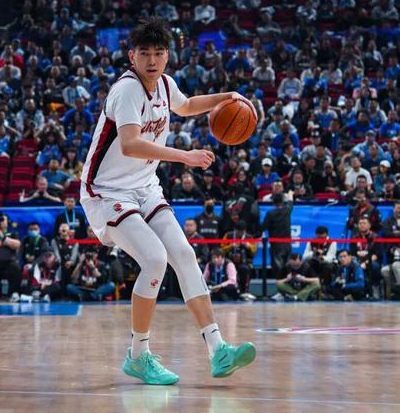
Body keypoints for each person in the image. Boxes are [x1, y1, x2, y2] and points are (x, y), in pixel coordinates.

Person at [79, 19, 255, 385]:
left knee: (184, 254)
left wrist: (226, 97)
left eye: (158, 53)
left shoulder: (164, 84)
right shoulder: (126, 90)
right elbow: (131, 144)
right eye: (144, 53)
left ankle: (218, 350)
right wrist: (185, 156)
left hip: (145, 187)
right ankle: (138, 355)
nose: (152, 60)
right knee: (155, 259)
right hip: (106, 191)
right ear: (132, 56)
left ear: (167, 56)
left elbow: (186, 105)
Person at [222, 221, 257, 301]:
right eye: (238, 231)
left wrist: (249, 246)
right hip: (230, 261)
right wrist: (231, 246)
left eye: (242, 232)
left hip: (244, 261)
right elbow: (222, 248)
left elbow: (254, 251)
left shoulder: (249, 237)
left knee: (244, 269)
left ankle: (244, 292)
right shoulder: (228, 235)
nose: (240, 233)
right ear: (235, 230)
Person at [262, 193, 293, 278]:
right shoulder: (287, 210)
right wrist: (291, 193)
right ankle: (287, 282)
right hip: (287, 244)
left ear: (273, 203)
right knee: (287, 264)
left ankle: (280, 283)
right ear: (282, 202)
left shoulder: (270, 213)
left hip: (276, 245)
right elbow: (290, 201)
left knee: (277, 266)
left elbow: (264, 226)